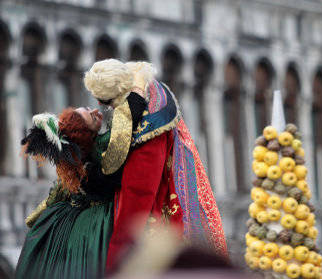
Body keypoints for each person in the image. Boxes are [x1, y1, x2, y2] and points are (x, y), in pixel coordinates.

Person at [83, 59, 229, 273]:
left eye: (107, 103)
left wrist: (116, 260)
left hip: (160, 224)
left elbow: (138, 194)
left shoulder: (148, 127)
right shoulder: (150, 91)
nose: (105, 108)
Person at [16, 101, 146, 279]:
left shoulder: (79, 162)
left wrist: (36, 215)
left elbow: (58, 192)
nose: (95, 110)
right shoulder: (98, 155)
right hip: (97, 226)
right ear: (85, 133)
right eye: (91, 115)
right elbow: (123, 134)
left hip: (73, 221)